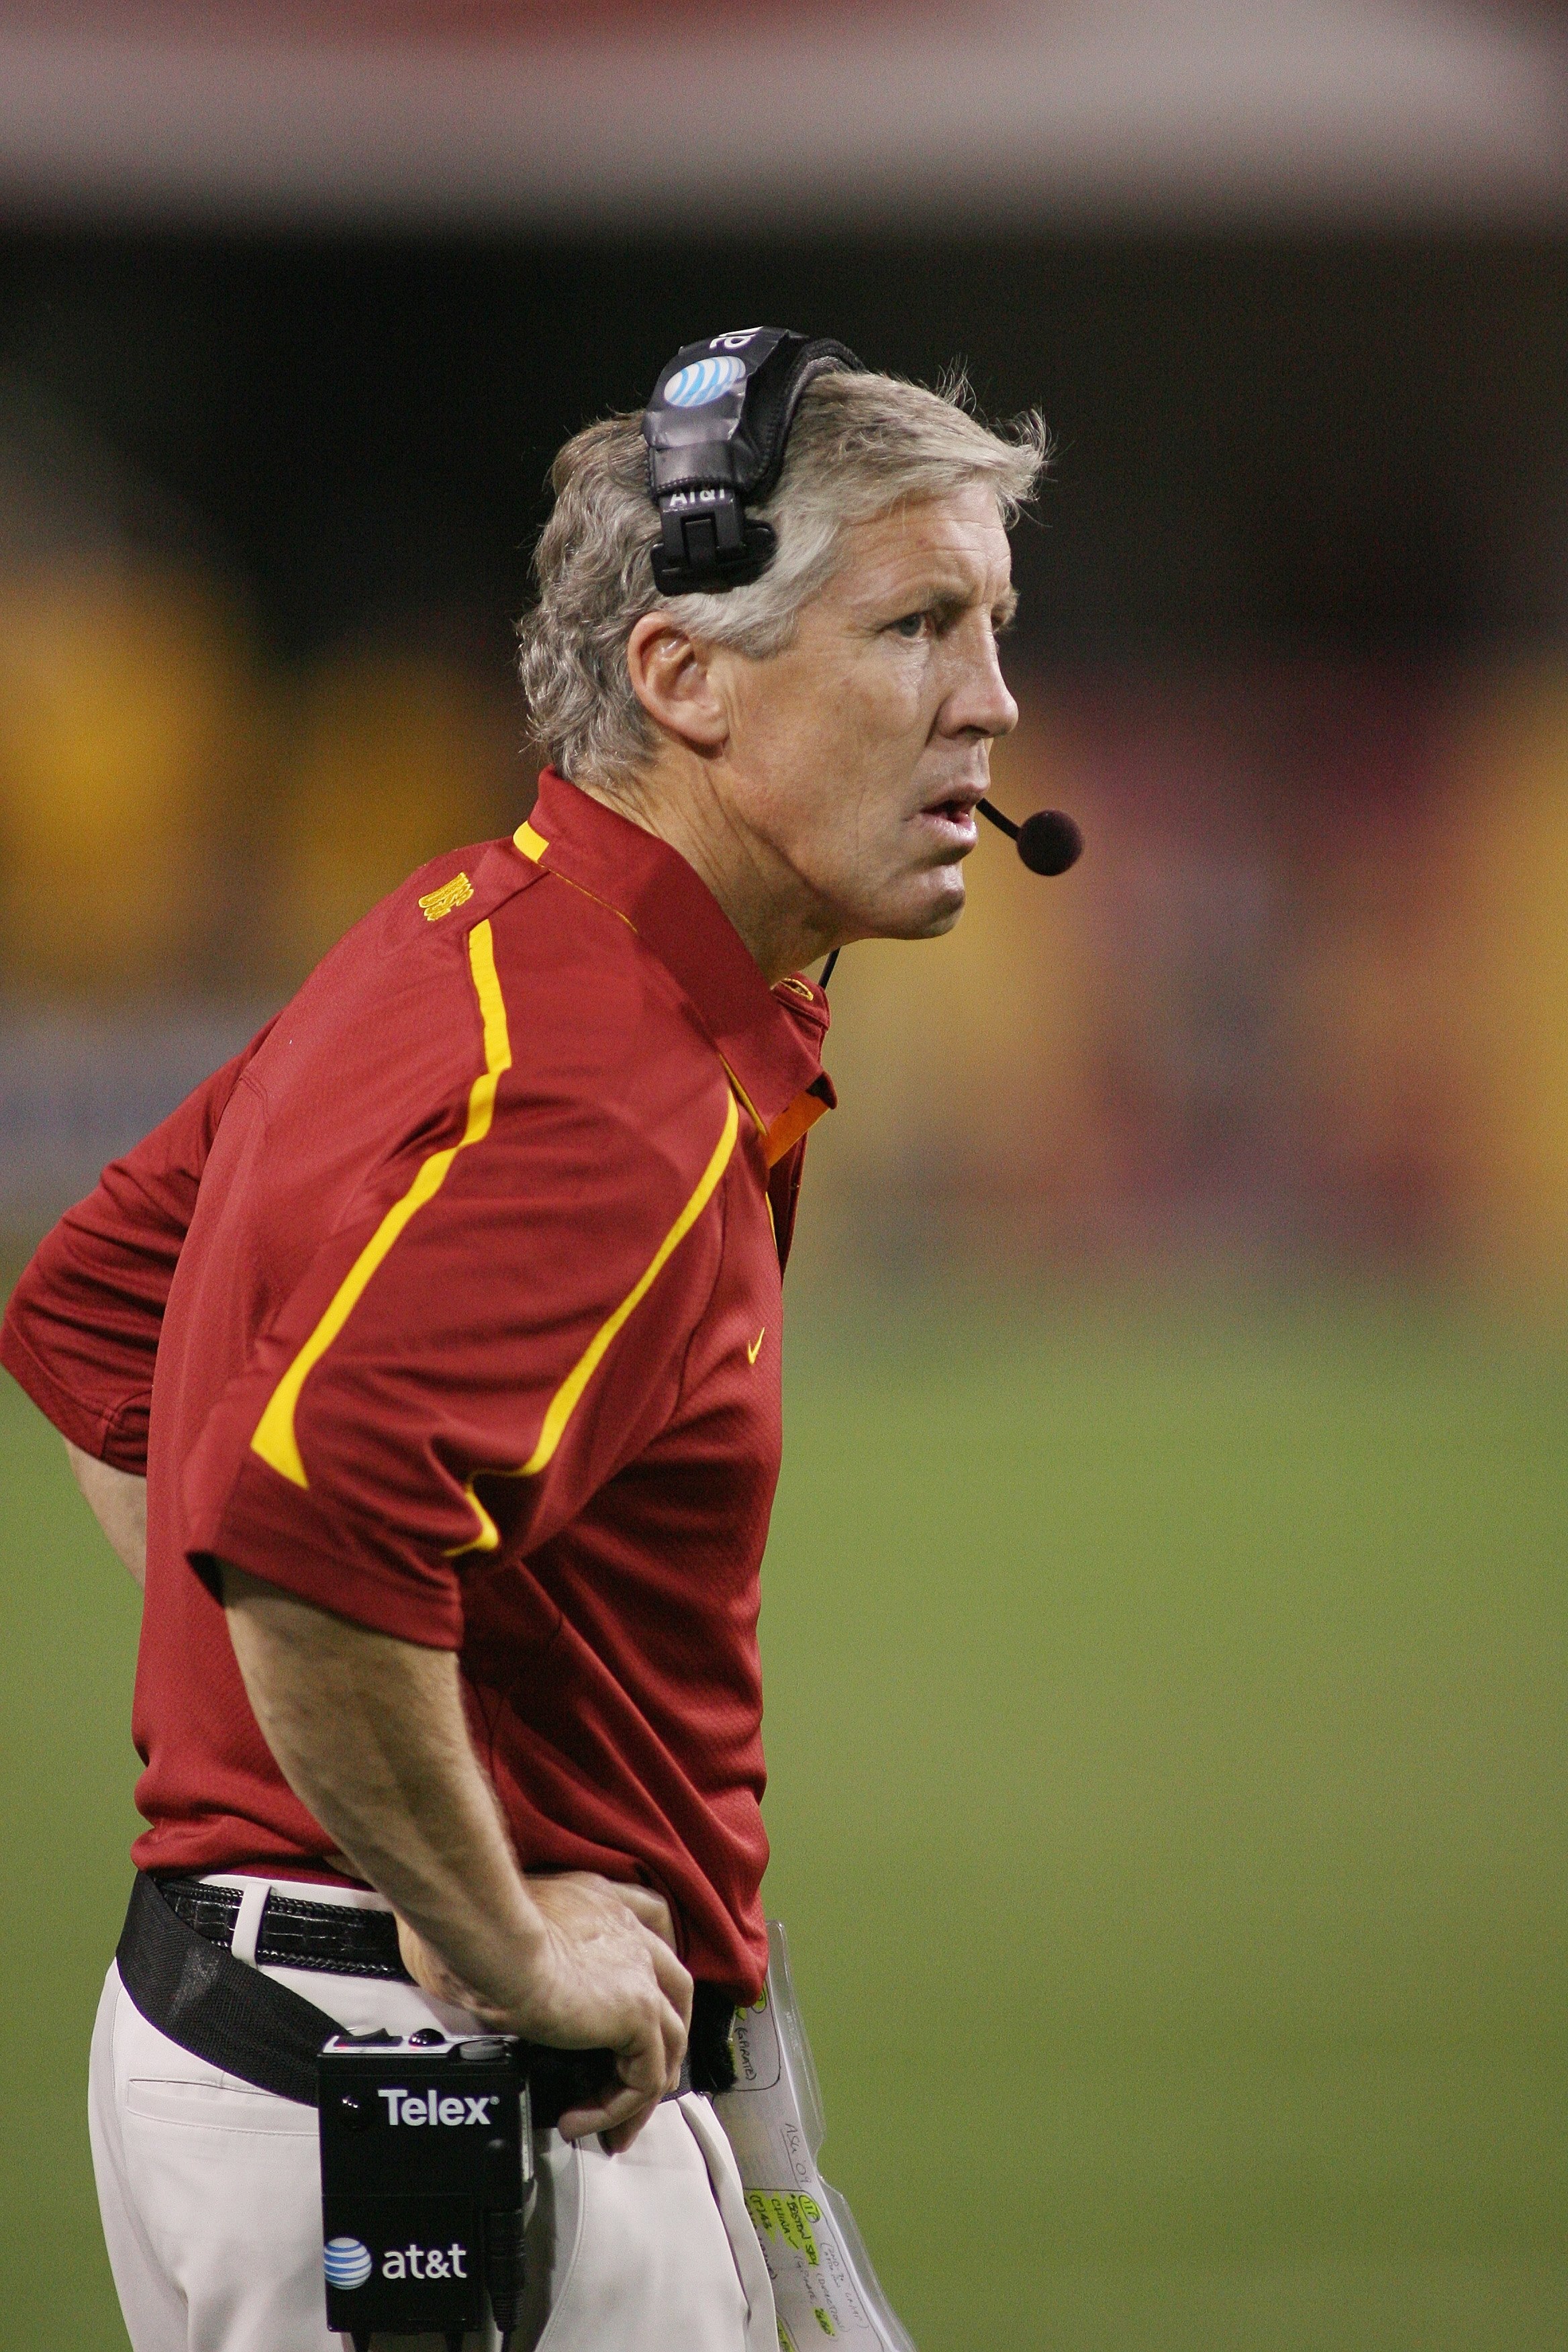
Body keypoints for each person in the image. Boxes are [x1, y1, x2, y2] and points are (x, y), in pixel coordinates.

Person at [1, 352, 1045, 2352]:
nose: (990, 701)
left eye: (996, 625)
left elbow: (101, 1327)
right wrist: (485, 1920)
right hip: (431, 2086)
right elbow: (309, 1539)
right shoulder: (596, 1090)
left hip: (299, 2040)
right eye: (917, 626)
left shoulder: (479, 935)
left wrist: (413, 1798)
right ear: (684, 675)